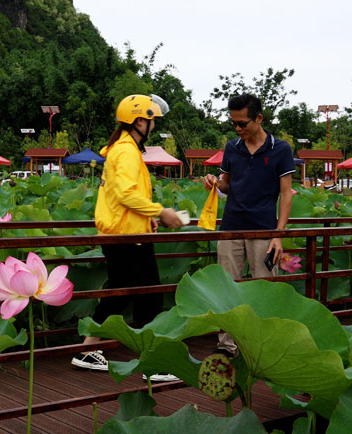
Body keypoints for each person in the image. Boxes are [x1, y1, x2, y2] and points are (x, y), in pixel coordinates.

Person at [71, 94, 184, 378]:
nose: (154, 125)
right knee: (150, 297)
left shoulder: (121, 149)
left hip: (124, 233)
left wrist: (147, 218)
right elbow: (125, 194)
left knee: (120, 295)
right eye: (152, 120)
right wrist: (160, 212)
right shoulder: (127, 152)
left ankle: (87, 350)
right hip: (126, 238)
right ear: (138, 121)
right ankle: (153, 364)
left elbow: (123, 197)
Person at [202, 94, 295, 355]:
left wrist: (279, 235)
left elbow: (286, 193)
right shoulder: (232, 148)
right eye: (234, 124)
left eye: (243, 123)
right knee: (227, 288)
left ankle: (260, 348)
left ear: (259, 118)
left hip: (264, 230)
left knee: (263, 290)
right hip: (231, 228)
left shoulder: (281, 149)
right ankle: (227, 346)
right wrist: (214, 182)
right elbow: (227, 185)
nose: (238, 129)